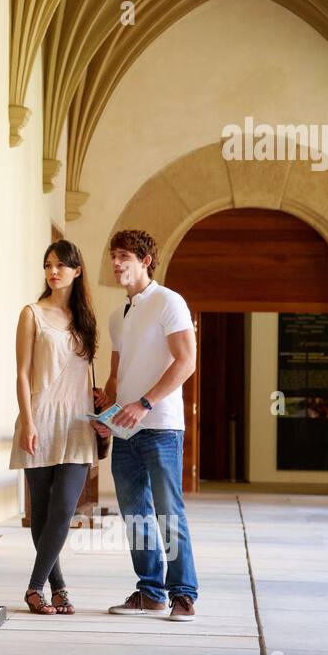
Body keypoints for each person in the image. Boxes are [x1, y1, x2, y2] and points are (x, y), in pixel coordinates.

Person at [93, 229, 200, 621]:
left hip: (161, 427)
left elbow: (186, 362)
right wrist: (106, 413)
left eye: (125, 256)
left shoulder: (168, 302)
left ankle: (183, 594)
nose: (117, 263)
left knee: (168, 512)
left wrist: (145, 403)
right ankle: (151, 591)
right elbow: (116, 377)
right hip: (126, 429)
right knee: (135, 514)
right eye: (113, 255)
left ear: (145, 261)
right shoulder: (118, 315)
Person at [10, 240, 99, 616]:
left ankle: (34, 588)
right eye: (48, 264)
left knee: (64, 510)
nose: (54, 271)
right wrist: (27, 420)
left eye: (62, 265)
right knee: (43, 512)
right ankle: (57, 588)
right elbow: (22, 373)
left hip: (77, 423)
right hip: (40, 419)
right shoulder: (32, 313)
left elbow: (87, 374)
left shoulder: (86, 320)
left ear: (77, 270)